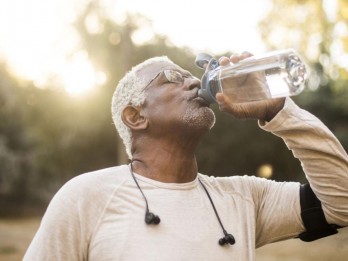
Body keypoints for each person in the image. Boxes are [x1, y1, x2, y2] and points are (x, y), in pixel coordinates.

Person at [24, 52, 348, 260]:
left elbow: (342, 202)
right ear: (136, 116)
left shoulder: (245, 198)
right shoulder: (86, 197)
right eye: (173, 78)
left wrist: (280, 112)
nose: (194, 81)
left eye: (189, 75)